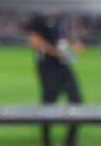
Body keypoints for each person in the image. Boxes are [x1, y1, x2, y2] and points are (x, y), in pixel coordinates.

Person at [25, 13, 83, 146]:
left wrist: (74, 44)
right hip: (48, 69)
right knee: (48, 105)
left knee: (77, 103)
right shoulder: (39, 18)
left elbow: (63, 38)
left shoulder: (62, 17)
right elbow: (33, 41)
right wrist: (55, 51)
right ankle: (46, 140)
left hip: (64, 67)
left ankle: (70, 141)